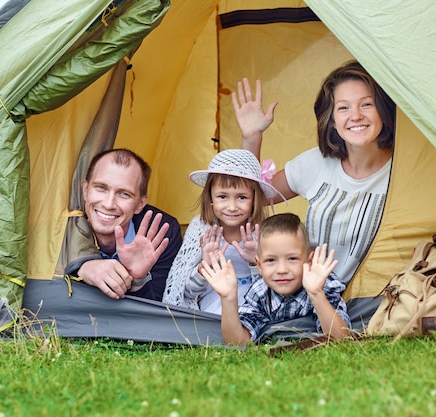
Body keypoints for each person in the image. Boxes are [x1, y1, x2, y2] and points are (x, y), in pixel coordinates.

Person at [233, 60, 396, 324]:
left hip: (370, 302)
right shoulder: (316, 163)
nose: (355, 116)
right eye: (343, 108)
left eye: (366, 104)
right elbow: (252, 199)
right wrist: (251, 138)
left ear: (384, 110)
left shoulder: (401, 169)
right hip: (306, 301)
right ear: (331, 120)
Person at [162, 149, 284, 314]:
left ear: (254, 199)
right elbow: (185, 292)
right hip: (212, 306)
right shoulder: (200, 228)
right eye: (222, 197)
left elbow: (276, 289)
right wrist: (205, 267)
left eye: (242, 197)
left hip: (253, 306)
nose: (232, 207)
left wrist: (255, 262)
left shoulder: (263, 231)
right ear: (210, 197)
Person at [199, 213, 351, 345]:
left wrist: (316, 294)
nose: (282, 270)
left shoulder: (323, 283)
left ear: (309, 261)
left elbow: (341, 340)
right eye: (271, 260)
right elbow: (238, 343)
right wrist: (228, 298)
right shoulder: (260, 291)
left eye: (292, 259)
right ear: (259, 265)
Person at [71, 148, 183, 301]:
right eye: (101, 188)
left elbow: (159, 314)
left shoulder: (160, 232)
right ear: (85, 190)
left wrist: (138, 281)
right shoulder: (63, 225)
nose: (109, 204)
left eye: (124, 194)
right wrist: (81, 267)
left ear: (140, 204)